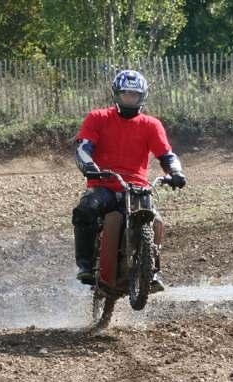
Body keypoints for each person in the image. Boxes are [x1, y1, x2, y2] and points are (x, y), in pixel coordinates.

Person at [72, 69, 187, 290]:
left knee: (156, 220)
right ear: (116, 94)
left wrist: (175, 172)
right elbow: (83, 147)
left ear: (142, 97)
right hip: (103, 183)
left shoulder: (151, 124)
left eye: (134, 95)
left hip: (137, 187)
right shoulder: (97, 118)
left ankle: (150, 272)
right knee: (86, 208)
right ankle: (85, 265)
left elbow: (166, 154)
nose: (129, 99)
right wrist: (89, 167)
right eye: (125, 94)